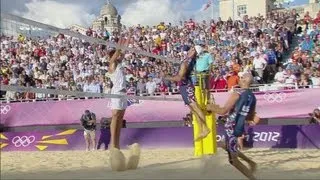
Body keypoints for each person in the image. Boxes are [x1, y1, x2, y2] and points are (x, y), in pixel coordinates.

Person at [206, 72, 258, 180]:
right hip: (239, 126)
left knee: (233, 160)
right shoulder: (253, 97)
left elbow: (223, 111)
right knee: (226, 146)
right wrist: (239, 115)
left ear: (243, 80)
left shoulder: (237, 94)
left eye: (240, 77)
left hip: (231, 127)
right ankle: (251, 162)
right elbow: (250, 116)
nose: (238, 79)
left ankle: (253, 178)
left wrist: (210, 107)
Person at [162, 47, 210, 141]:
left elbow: (179, 78)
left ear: (195, 53)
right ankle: (201, 130)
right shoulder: (187, 61)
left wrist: (166, 77)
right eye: (191, 49)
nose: (190, 51)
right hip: (184, 86)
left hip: (186, 86)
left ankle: (206, 128)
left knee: (196, 108)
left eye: (193, 50)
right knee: (193, 110)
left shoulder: (187, 62)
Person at [108, 33, 132, 149]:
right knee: (115, 115)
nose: (119, 56)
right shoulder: (112, 64)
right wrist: (120, 40)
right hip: (116, 92)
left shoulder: (120, 63)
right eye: (117, 55)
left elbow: (124, 51)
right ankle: (113, 143)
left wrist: (129, 37)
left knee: (120, 117)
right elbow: (118, 51)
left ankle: (116, 143)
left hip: (123, 92)